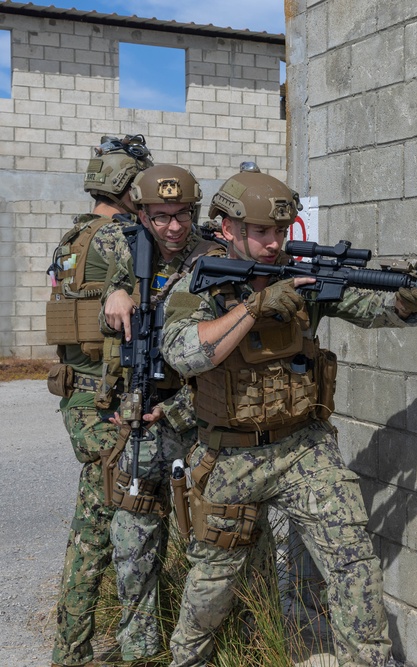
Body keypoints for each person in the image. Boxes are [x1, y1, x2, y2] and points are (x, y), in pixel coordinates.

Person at [160, 163, 417, 667]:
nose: (273, 243)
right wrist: (253, 309)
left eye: (281, 232)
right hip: (229, 456)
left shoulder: (301, 277)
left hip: (304, 448)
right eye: (261, 232)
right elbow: (183, 354)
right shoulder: (199, 284)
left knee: (353, 561)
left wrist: (402, 303)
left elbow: (368, 307)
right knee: (213, 585)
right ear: (227, 229)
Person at [99, 163, 230, 664]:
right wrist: (114, 295)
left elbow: (225, 354)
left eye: (181, 216)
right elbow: (111, 321)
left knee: (207, 544)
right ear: (143, 214)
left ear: (194, 213)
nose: (172, 228)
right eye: (160, 217)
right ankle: (140, 652)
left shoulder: (216, 260)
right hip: (139, 423)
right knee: (132, 541)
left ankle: (204, 651)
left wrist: (174, 409)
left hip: (196, 422)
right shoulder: (135, 252)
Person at [47, 134, 153, 667]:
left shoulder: (73, 239)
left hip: (78, 396)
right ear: (128, 185)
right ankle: (73, 650)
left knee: (101, 515)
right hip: (108, 403)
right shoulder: (121, 239)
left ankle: (76, 645)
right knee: (100, 523)